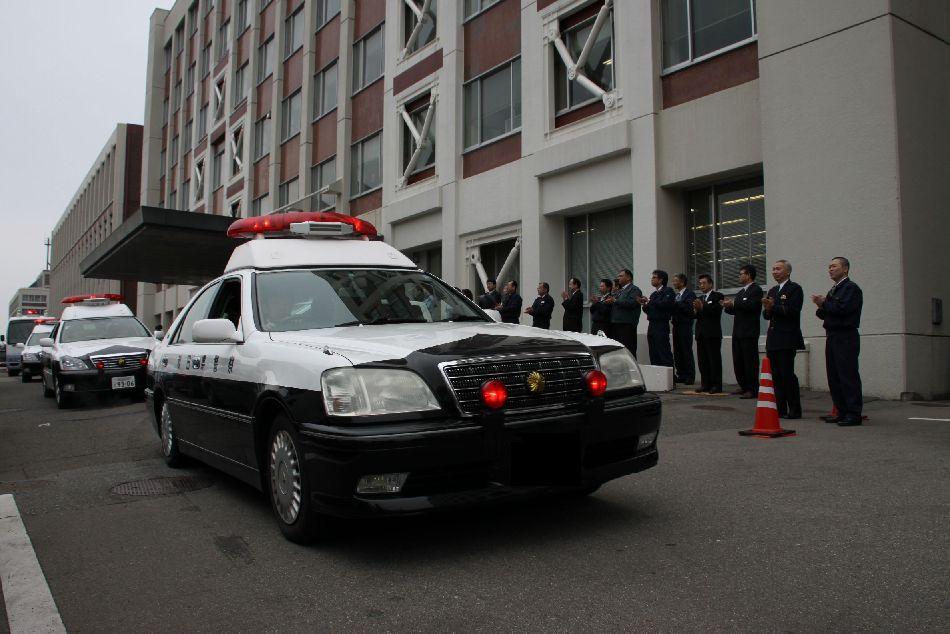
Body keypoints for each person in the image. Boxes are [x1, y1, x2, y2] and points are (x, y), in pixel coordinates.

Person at [813, 257, 864, 426]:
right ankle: (841, 411)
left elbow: (843, 309)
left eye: (834, 266)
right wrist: (822, 305)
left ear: (845, 269)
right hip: (832, 335)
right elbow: (825, 313)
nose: (830, 269)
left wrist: (825, 304)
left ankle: (853, 413)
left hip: (845, 336)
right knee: (834, 375)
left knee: (847, 374)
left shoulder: (851, 288)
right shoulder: (834, 290)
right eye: (829, 266)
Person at [762, 259, 805, 419]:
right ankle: (780, 408)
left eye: (778, 269)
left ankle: (794, 409)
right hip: (773, 339)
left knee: (787, 374)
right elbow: (767, 315)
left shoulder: (795, 289)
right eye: (773, 269)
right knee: (776, 376)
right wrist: (767, 308)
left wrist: (774, 307)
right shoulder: (772, 290)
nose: (774, 271)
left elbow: (793, 311)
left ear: (787, 271)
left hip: (787, 337)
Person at [722, 264, 764, 399]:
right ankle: (744, 385)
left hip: (749, 332)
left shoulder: (756, 290)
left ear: (749, 275)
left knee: (749, 361)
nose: (739, 276)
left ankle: (752, 388)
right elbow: (735, 309)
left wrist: (734, 304)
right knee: (738, 360)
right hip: (738, 331)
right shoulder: (741, 292)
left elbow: (751, 306)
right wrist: (727, 306)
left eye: (741, 274)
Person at [692, 274, 724, 393]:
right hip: (700, 333)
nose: (701, 285)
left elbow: (716, 311)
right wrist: (695, 310)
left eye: (704, 283)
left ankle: (716, 385)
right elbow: (695, 315)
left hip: (712, 333)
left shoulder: (717, 296)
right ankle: (705, 383)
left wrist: (703, 307)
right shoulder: (699, 298)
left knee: (713, 359)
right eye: (700, 283)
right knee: (702, 360)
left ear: (710, 284)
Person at [639, 269, 675, 367]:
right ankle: (657, 376)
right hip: (652, 324)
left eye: (654, 277)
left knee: (663, 350)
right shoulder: (654, 294)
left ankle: (670, 378)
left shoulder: (668, 291)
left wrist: (650, 302)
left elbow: (665, 304)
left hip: (661, 324)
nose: (652, 279)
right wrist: (644, 304)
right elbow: (649, 310)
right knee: (653, 351)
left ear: (661, 280)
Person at [606, 269, 642, 357]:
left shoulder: (634, 289)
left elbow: (632, 303)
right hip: (616, 323)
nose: (618, 278)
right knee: (619, 350)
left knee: (628, 350)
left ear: (629, 278)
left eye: (621, 276)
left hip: (627, 325)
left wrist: (615, 300)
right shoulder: (620, 291)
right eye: (618, 276)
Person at [671, 274, 696, 385]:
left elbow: (689, 308)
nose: (674, 283)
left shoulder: (689, 294)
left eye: (676, 281)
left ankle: (690, 375)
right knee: (678, 351)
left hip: (685, 325)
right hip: (676, 325)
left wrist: (677, 304)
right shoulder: (676, 295)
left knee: (686, 350)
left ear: (682, 282)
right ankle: (681, 374)